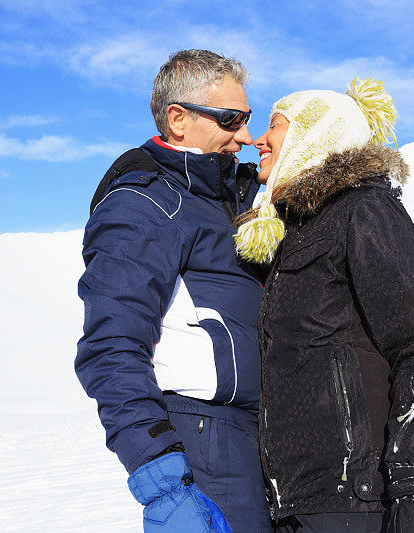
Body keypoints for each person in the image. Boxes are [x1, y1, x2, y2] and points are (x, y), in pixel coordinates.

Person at [235, 79, 414, 532]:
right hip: (293, 500)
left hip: (350, 499)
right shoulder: (292, 232)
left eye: (275, 126)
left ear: (313, 136)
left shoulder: (363, 210)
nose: (259, 139)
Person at [75, 50, 273, 533]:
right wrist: (161, 477)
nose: (244, 136)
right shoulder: (145, 204)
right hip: (204, 434)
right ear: (178, 119)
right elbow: (110, 347)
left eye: (246, 119)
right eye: (231, 120)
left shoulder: (224, 199)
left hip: (254, 433)